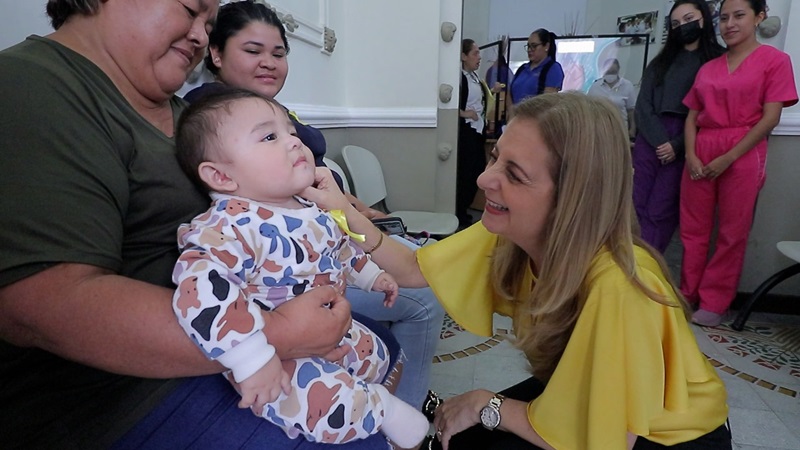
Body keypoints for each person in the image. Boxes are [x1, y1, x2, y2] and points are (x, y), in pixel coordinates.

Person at [0, 1, 402, 449]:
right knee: (362, 432)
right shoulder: (31, 86)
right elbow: (43, 306)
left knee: (384, 350)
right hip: (122, 398)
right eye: (190, 9)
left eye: (208, 23)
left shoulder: (184, 113)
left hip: (234, 330)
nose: (199, 35)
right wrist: (275, 336)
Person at [303, 92, 731, 450]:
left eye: (515, 174)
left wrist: (486, 404)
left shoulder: (619, 287)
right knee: (458, 437)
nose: (485, 179)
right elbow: (413, 267)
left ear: (572, 199)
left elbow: (607, 437)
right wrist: (342, 209)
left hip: (663, 435)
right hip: (581, 393)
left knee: (470, 432)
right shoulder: (512, 233)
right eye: (495, 158)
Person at [182, 0, 444, 410]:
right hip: (295, 270)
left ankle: (394, 399)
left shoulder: (274, 112)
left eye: (278, 53)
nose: (269, 63)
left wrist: (354, 208)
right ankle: (408, 409)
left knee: (414, 266)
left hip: (329, 226)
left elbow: (316, 185)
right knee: (426, 293)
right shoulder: (209, 122)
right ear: (215, 53)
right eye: (252, 50)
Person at [172, 90, 428, 447]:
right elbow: (200, 292)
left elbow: (339, 248)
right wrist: (252, 358)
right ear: (221, 176)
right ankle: (378, 410)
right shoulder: (228, 226)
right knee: (306, 398)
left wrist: (372, 276)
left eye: (291, 132)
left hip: (331, 324)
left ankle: (368, 391)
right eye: (269, 137)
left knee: (375, 352)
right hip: (272, 348)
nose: (294, 142)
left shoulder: (307, 206)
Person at [680, 0, 798, 327]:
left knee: (733, 232)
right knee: (693, 228)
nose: (729, 23)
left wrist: (729, 157)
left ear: (759, 17)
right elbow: (691, 117)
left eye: (739, 16)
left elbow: (771, 118)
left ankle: (714, 302)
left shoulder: (775, 61)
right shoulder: (708, 68)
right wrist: (691, 154)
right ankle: (687, 293)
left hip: (744, 149)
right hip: (702, 145)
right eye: (724, 17)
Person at [632, 0, 726, 254]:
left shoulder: (718, 60)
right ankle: (629, 261)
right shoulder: (660, 62)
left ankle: (649, 262)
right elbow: (643, 106)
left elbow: (711, 113)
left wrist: (676, 145)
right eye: (675, 23)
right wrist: (660, 141)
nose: (682, 26)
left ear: (704, 18)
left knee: (661, 209)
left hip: (687, 139)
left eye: (688, 19)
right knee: (637, 204)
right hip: (650, 138)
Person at [456, 38, 492, 228]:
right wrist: (464, 113)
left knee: (477, 170)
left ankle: (463, 209)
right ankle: (459, 212)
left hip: (478, 130)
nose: (479, 57)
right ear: (464, 56)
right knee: (467, 173)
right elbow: (452, 106)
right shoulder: (460, 79)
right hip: (468, 131)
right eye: (475, 53)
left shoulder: (474, 77)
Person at [507, 28, 564, 121]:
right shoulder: (522, 68)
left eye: (534, 46)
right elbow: (510, 92)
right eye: (528, 46)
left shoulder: (553, 68)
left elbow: (548, 101)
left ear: (546, 46)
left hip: (536, 120)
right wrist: (511, 112)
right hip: (516, 119)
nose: (530, 50)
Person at [587, 58, 636, 139]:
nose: (610, 75)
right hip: (599, 131)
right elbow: (589, 110)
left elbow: (631, 111)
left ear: (618, 70)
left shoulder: (627, 85)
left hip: (621, 131)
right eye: (608, 72)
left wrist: (632, 129)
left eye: (613, 72)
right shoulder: (595, 87)